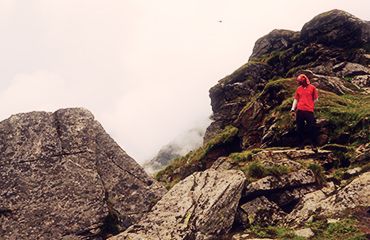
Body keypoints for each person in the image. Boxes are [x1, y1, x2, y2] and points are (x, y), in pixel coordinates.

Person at [290, 74, 319, 153]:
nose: (299, 83)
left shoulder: (313, 88)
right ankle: (300, 145)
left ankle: (314, 145)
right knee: (299, 128)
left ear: (304, 80)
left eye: (300, 81)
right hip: (300, 110)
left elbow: (316, 99)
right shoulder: (298, 89)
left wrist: (310, 104)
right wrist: (293, 109)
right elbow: (296, 99)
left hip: (309, 110)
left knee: (312, 127)